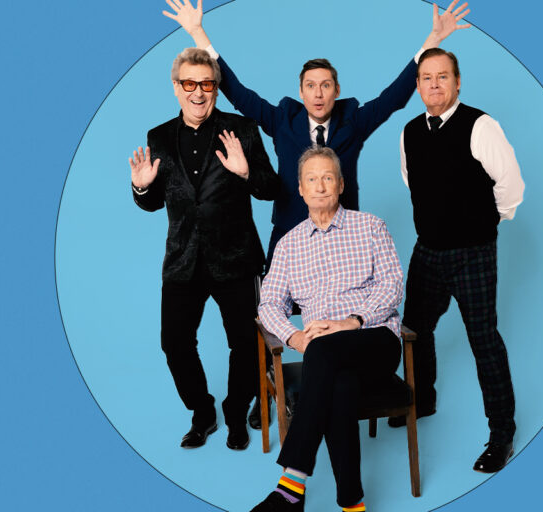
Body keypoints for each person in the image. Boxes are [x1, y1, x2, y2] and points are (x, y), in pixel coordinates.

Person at [164, 0, 469, 430]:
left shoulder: (353, 123)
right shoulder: (282, 120)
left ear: (336, 91)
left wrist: (432, 42)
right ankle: (266, 392)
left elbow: (395, 96)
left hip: (342, 237)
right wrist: (199, 36)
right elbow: (237, 90)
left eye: (326, 85)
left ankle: (347, 382)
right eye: (311, 85)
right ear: (301, 91)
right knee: (271, 314)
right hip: (291, 237)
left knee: (339, 311)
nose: (319, 93)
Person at [129, 47, 279, 451]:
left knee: (245, 344)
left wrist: (246, 171)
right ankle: (203, 412)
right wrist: (142, 186)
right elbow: (154, 202)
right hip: (183, 260)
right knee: (175, 343)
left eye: (207, 84)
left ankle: (236, 414)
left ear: (216, 88)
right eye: (189, 84)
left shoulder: (243, 129)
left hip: (235, 257)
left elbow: (271, 187)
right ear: (176, 88)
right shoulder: (158, 137)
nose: (199, 92)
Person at [391, 47, 525, 474]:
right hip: (427, 249)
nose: (434, 84)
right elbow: (413, 182)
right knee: (414, 329)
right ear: (417, 86)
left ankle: (502, 434)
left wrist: (484, 225)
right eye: (427, 77)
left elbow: (510, 185)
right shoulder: (409, 131)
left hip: (473, 252)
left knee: (483, 341)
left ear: (457, 81)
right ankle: (423, 400)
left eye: (443, 76)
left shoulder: (481, 125)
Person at [254, 147, 404, 512]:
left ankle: (290, 489)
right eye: (311, 179)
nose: (320, 186)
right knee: (338, 383)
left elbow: (393, 285)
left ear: (340, 184)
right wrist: (294, 336)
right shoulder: (288, 245)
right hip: (325, 356)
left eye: (327, 178)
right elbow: (268, 304)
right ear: (300, 189)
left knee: (324, 352)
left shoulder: (370, 226)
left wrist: (352, 322)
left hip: (374, 339)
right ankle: (352, 503)